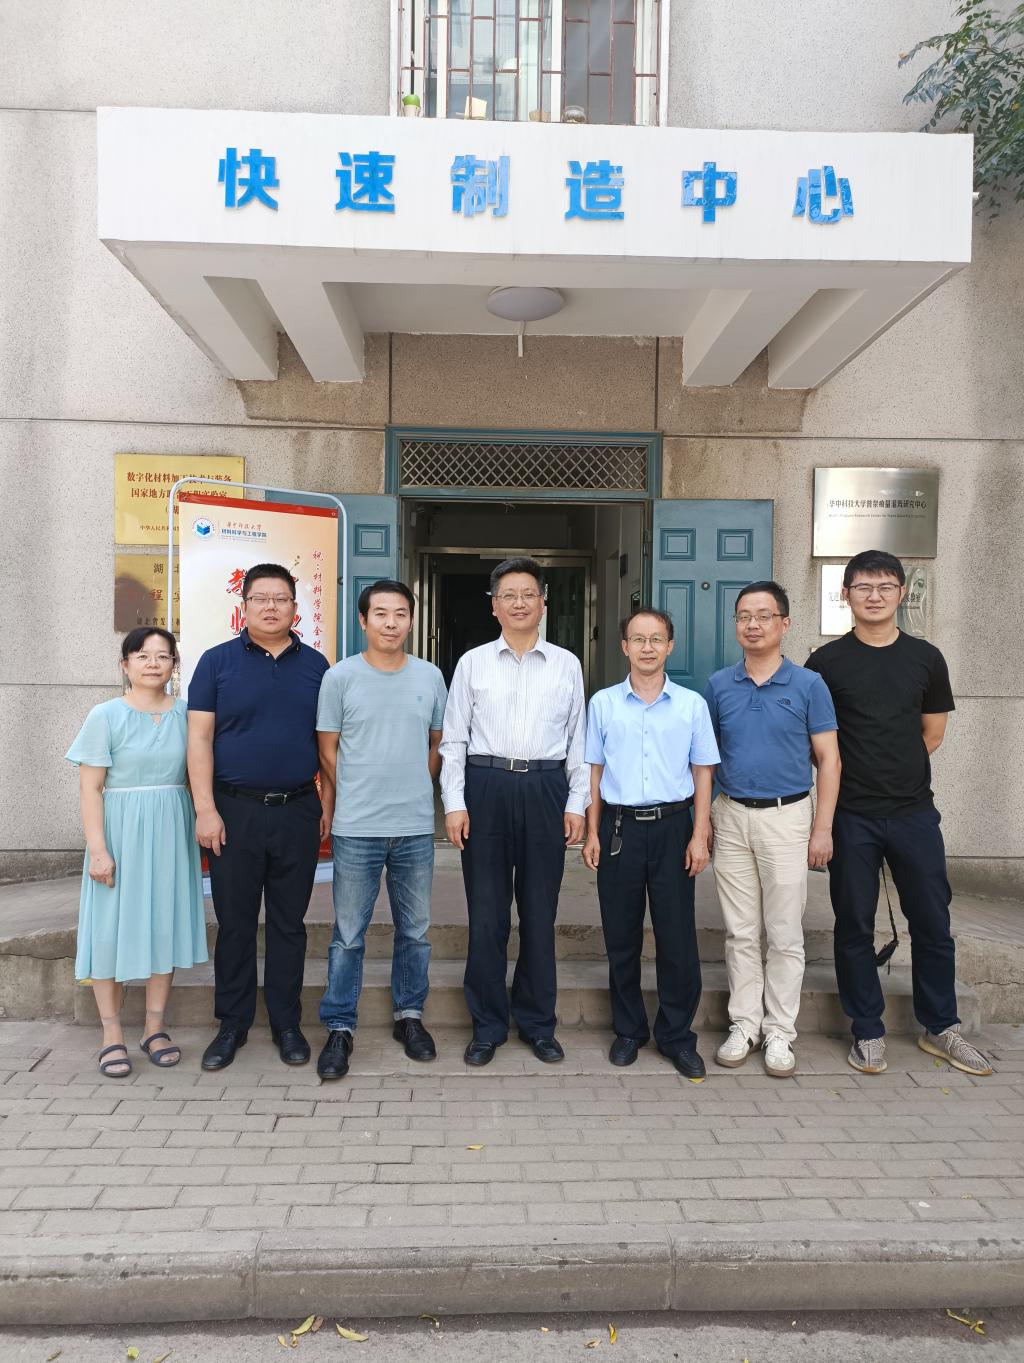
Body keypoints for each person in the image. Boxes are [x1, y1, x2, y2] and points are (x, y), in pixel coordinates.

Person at [805, 549, 991, 1077]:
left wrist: (894, 770)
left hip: (913, 813)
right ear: (846, 595)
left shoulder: (926, 658)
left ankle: (940, 1026)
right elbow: (818, 744)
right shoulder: (825, 663)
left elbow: (932, 733)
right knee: (853, 923)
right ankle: (867, 1029)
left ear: (901, 593)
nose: (874, 596)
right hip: (851, 816)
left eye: (885, 586)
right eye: (863, 587)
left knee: (932, 921)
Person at [441, 557, 588, 1067]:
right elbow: (454, 740)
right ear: (494, 606)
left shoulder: (567, 664)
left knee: (540, 913)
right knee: (487, 914)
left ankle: (537, 1023)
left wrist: (576, 802)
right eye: (509, 595)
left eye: (528, 594)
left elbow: (578, 740)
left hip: (546, 787)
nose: (519, 603)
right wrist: (455, 803)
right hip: (486, 786)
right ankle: (487, 1026)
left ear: (543, 602)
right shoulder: (472, 663)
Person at [187, 563, 329, 1071]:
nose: (271, 607)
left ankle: (287, 1024)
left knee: (290, 924)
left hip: (297, 810)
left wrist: (327, 806)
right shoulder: (216, 662)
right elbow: (199, 738)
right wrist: (205, 809)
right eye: (260, 598)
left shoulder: (318, 666)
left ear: (295, 607)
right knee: (235, 923)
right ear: (243, 606)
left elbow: (328, 744)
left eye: (281, 599)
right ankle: (232, 1024)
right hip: (233, 812)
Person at [704, 582, 840, 1078]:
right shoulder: (719, 685)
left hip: (788, 817)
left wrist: (822, 828)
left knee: (784, 932)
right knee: (740, 931)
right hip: (731, 815)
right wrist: (705, 821)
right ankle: (745, 1024)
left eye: (764, 615)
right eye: (744, 616)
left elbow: (829, 759)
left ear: (784, 623)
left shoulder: (809, 685)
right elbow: (705, 759)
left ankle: (780, 1030)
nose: (753, 624)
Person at [315, 580, 448, 1080]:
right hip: (357, 826)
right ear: (363, 620)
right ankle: (339, 1026)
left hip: (413, 826)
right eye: (380, 614)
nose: (391, 623)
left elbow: (437, 743)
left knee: (415, 931)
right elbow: (327, 748)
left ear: (411, 619)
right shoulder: (340, 678)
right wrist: (350, 791)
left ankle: (409, 1016)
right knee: (349, 934)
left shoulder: (430, 676)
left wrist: (415, 783)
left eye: (400, 614)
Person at [582, 608, 719, 1078]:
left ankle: (677, 1035)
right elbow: (594, 771)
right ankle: (628, 1030)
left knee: (676, 937)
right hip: (619, 828)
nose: (647, 647)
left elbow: (703, 772)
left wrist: (700, 834)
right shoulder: (603, 703)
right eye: (638, 639)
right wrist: (592, 832)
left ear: (669, 646)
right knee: (621, 936)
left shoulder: (691, 705)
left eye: (656, 639)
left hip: (673, 828)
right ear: (624, 646)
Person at [66, 628, 207, 1078]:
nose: (153, 664)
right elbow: (90, 788)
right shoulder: (105, 715)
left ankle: (154, 1028)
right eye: (142, 656)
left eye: (163, 656)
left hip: (171, 830)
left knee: (162, 925)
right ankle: (111, 1033)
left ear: (174, 666)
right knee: (108, 930)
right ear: (125, 664)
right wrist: (98, 849)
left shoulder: (187, 714)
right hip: (120, 831)